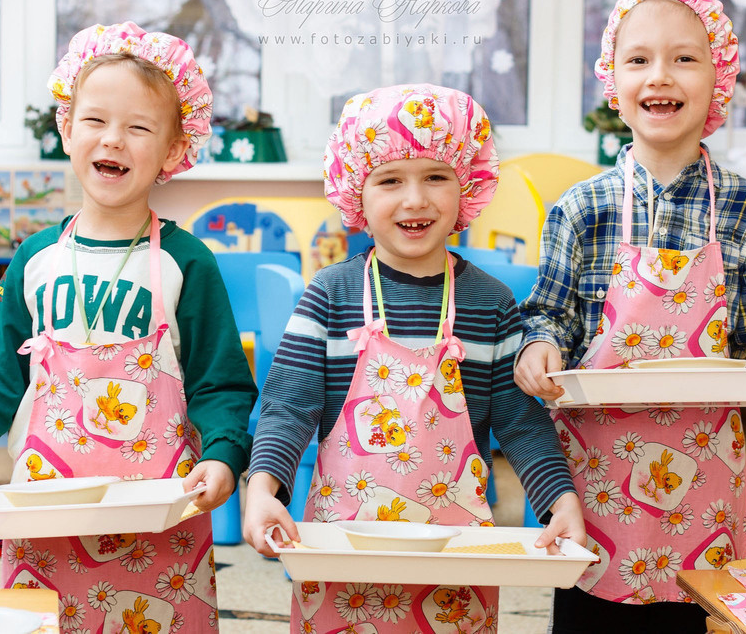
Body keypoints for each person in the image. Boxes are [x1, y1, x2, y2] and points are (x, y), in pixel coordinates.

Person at [513, 0, 746, 633]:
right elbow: (548, 314)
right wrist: (538, 345)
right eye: (638, 59)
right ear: (613, 81)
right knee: (587, 614)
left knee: (690, 616)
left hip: (702, 480)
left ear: (719, 79)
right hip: (596, 481)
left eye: (684, 57)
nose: (659, 75)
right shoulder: (581, 209)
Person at [0, 22, 257, 633]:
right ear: (67, 130)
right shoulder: (35, 259)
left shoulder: (188, 261)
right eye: (95, 120)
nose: (114, 139)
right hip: (45, 514)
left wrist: (226, 455)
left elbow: (220, 383)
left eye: (140, 127)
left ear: (176, 149)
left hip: (159, 519)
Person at [241, 83, 585, 633]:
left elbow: (521, 424)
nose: (415, 199)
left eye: (435, 177)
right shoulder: (329, 295)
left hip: (454, 557)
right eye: (390, 179)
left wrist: (558, 500)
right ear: (357, 192)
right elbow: (288, 409)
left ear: (466, 185)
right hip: (343, 552)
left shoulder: (490, 303)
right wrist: (262, 489)